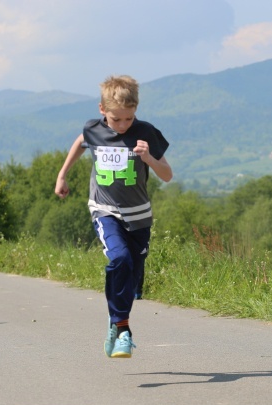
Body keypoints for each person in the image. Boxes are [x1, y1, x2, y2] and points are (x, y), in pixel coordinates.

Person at [55, 75, 172, 358]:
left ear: (136, 111)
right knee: (119, 259)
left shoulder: (146, 132)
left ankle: (114, 319)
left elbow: (167, 175)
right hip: (104, 210)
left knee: (131, 280)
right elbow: (81, 141)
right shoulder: (93, 129)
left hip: (139, 216)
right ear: (101, 110)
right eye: (115, 119)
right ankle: (123, 330)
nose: (122, 126)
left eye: (128, 120)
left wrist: (149, 159)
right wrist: (62, 175)